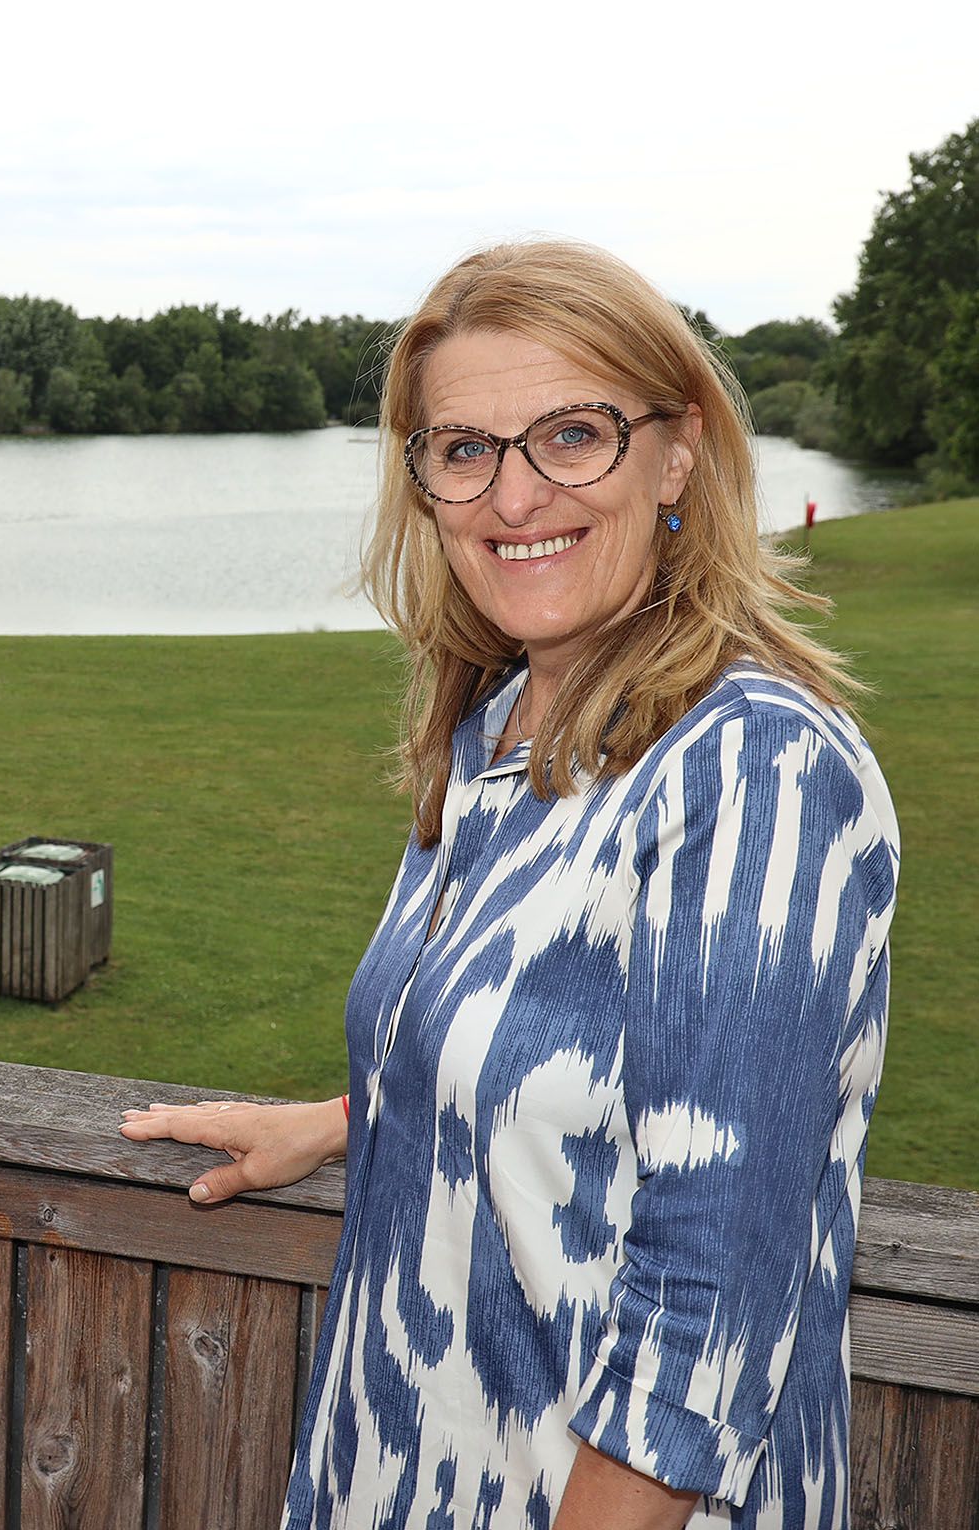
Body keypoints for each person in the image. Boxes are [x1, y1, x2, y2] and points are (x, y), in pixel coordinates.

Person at [121, 241, 897, 1530]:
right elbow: (580, 1050)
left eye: (573, 436)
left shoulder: (753, 768)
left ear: (678, 453)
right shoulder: (494, 734)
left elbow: (706, 1322)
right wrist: (364, 1110)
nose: (514, 494)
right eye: (466, 448)